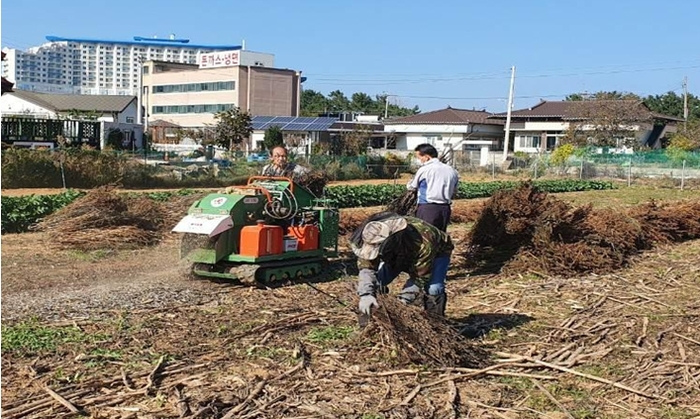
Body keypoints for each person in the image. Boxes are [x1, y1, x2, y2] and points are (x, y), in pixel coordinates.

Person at [351, 211, 454, 318]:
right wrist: (366, 294)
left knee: (434, 288)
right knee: (376, 282)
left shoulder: (424, 241)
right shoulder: (375, 234)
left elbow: (420, 277)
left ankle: (436, 322)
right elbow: (367, 268)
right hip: (398, 253)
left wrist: (403, 301)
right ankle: (373, 320)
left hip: (437, 253)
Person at [407, 144, 459, 232]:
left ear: (427, 157)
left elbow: (412, 187)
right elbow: (455, 190)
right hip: (445, 209)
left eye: (420, 157)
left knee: (426, 237)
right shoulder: (452, 170)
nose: (420, 160)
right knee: (439, 237)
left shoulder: (425, 169)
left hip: (428, 208)